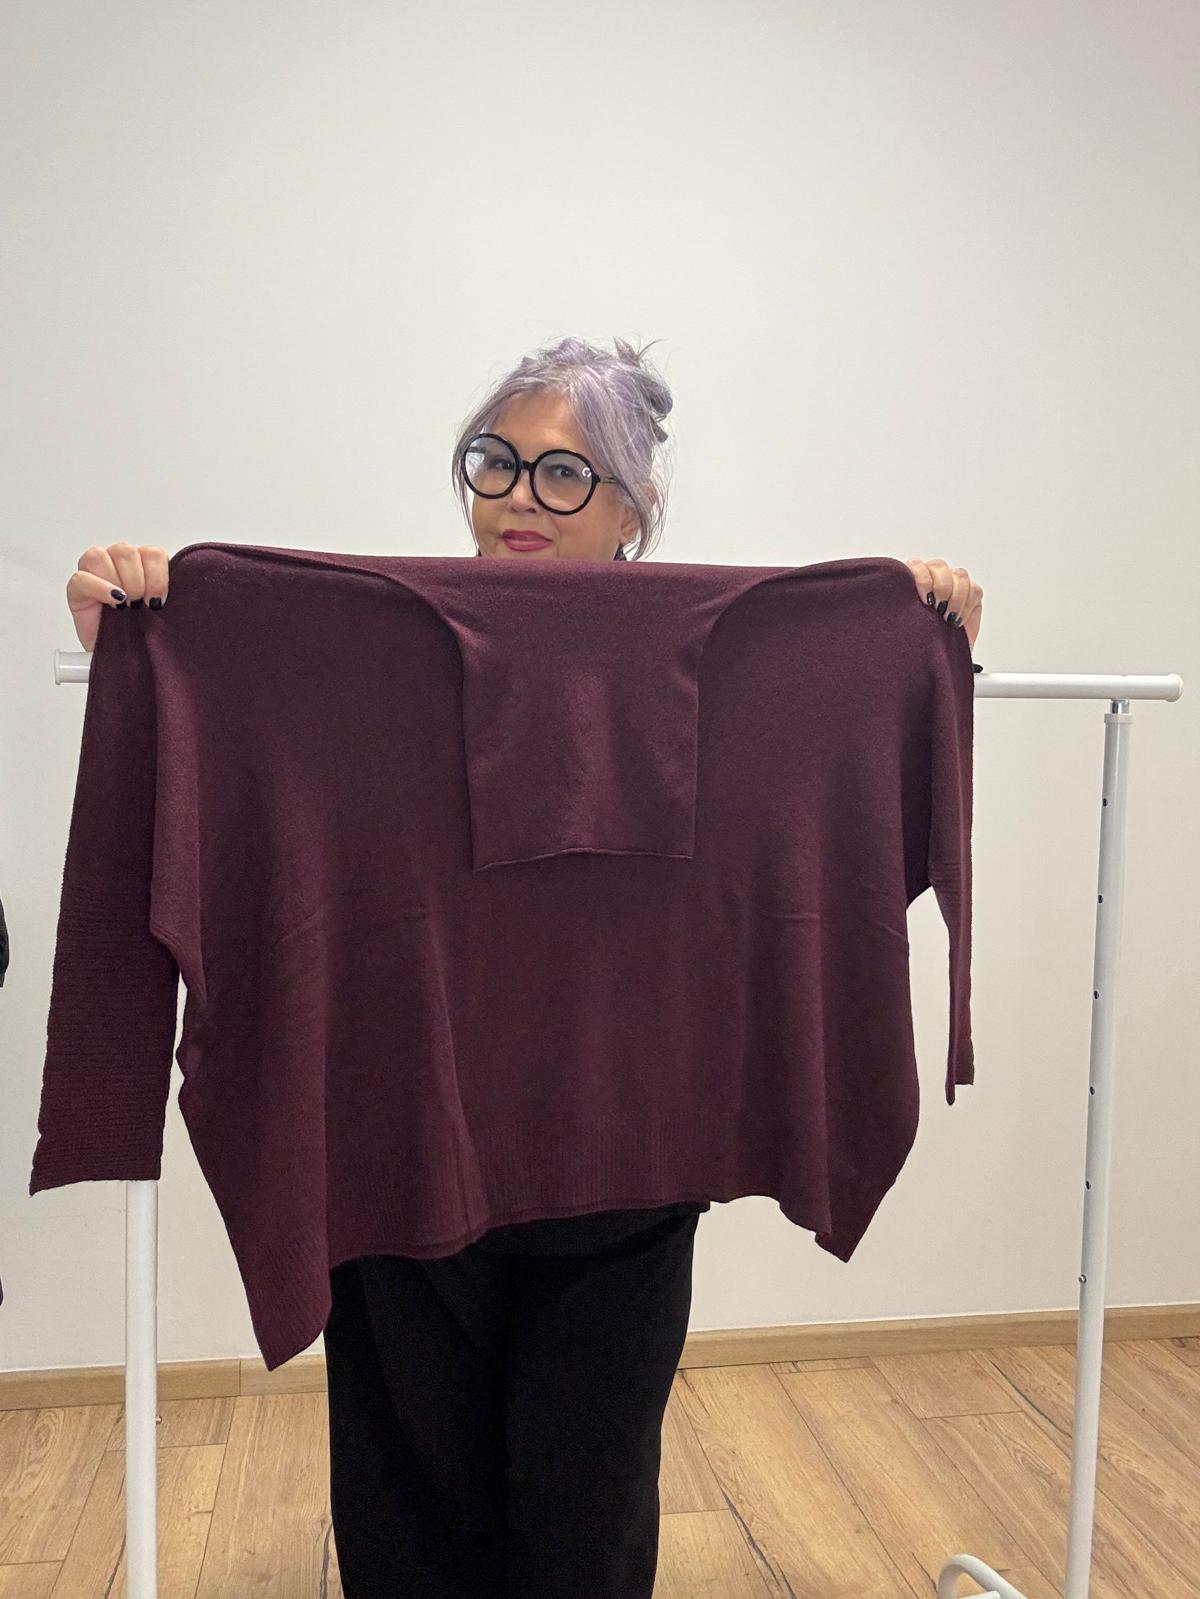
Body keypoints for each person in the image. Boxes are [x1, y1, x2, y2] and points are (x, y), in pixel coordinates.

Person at [64, 336, 983, 1597]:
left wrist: (921, 631)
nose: (517, 496)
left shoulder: (740, 668)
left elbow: (853, 787)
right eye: (494, 462)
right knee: (408, 1505)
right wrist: (144, 627)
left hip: (630, 1156)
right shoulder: (356, 661)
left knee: (587, 1507)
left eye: (564, 471)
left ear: (634, 507)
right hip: (403, 1142)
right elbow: (220, 777)